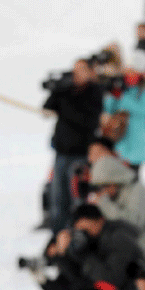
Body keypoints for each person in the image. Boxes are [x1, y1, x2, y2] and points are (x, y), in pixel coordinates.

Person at [32, 203, 145, 290]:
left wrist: (84, 255)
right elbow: (76, 281)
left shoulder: (118, 238)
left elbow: (113, 280)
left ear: (99, 220)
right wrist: (62, 254)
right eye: (79, 231)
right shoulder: (96, 241)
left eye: (84, 230)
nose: (83, 234)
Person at [43, 59, 103, 233]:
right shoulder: (65, 90)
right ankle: (58, 231)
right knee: (58, 194)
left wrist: (65, 103)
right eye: (74, 70)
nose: (76, 74)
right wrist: (57, 90)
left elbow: (88, 120)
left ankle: (77, 229)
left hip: (81, 154)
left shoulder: (94, 92)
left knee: (76, 195)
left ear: (90, 73)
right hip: (61, 152)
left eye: (81, 70)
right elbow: (47, 109)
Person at [88, 155, 145, 259]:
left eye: (105, 186)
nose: (103, 191)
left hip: (144, 254)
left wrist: (103, 203)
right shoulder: (115, 196)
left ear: (115, 180)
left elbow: (132, 224)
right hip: (125, 252)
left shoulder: (139, 191)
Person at [101, 51, 145, 173]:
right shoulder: (121, 84)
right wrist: (112, 93)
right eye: (128, 71)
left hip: (137, 137)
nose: (130, 74)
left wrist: (123, 95)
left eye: (133, 71)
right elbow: (109, 109)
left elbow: (142, 109)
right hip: (119, 136)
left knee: (132, 175)